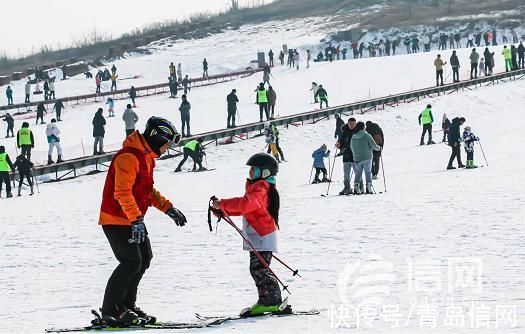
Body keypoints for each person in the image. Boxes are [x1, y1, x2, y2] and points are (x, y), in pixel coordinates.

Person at [98, 116, 185, 327]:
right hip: (117, 218)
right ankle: (111, 309)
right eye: (166, 143)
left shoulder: (146, 157)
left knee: (144, 258)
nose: (166, 149)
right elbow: (122, 192)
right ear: (157, 138)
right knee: (131, 261)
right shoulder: (128, 157)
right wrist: (136, 219)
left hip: (132, 219)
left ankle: (127, 305)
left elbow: (146, 191)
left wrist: (168, 208)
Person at [211, 152, 283, 316]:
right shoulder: (257, 188)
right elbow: (247, 209)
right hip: (259, 235)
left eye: (253, 169)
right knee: (259, 268)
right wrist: (223, 210)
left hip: (262, 236)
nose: (250, 172)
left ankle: (270, 301)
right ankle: (270, 300)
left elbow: (246, 205)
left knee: (259, 269)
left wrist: (222, 204)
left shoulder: (261, 188)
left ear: (264, 172)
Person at [351, 121, 381, 195]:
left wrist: (355, 154)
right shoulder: (367, 135)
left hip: (357, 158)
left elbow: (351, 147)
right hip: (367, 157)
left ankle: (356, 187)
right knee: (368, 172)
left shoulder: (353, 136)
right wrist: (379, 148)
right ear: (363, 127)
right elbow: (374, 145)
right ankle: (368, 187)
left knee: (358, 173)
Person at [336, 117, 357, 195]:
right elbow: (341, 143)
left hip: (356, 155)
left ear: (355, 123)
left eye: (353, 123)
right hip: (346, 155)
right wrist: (339, 145)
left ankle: (358, 187)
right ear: (348, 124)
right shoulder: (344, 132)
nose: (351, 125)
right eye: (350, 123)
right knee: (346, 174)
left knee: (357, 173)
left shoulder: (358, 131)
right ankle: (347, 187)